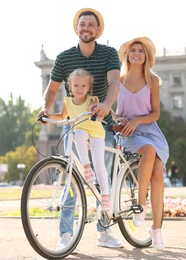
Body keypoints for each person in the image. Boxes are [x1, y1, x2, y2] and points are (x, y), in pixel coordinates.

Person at [36, 8, 123, 250]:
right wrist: (45, 108)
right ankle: (66, 234)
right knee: (71, 179)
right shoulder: (64, 58)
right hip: (74, 126)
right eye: (82, 24)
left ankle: (104, 233)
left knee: (101, 179)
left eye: (91, 25)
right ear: (77, 28)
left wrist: (107, 105)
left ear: (98, 30)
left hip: (99, 124)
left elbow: (115, 81)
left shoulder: (108, 53)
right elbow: (52, 90)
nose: (86, 28)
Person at [112, 36, 169, 250]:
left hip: (150, 131)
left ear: (146, 56)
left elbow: (156, 114)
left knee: (158, 174)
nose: (137, 53)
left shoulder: (153, 80)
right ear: (128, 54)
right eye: (134, 50)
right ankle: (141, 205)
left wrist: (138, 120)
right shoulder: (118, 79)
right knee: (149, 152)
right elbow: (112, 108)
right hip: (129, 133)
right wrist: (117, 117)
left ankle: (157, 231)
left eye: (141, 51)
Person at [47, 68, 111, 211]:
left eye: (83, 86)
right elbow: (62, 116)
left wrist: (97, 112)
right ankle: (86, 168)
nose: (80, 89)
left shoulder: (92, 100)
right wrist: (47, 116)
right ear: (70, 87)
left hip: (96, 133)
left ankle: (105, 197)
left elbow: (100, 115)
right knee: (79, 132)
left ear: (89, 87)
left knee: (99, 162)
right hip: (81, 132)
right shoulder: (68, 101)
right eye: (76, 86)